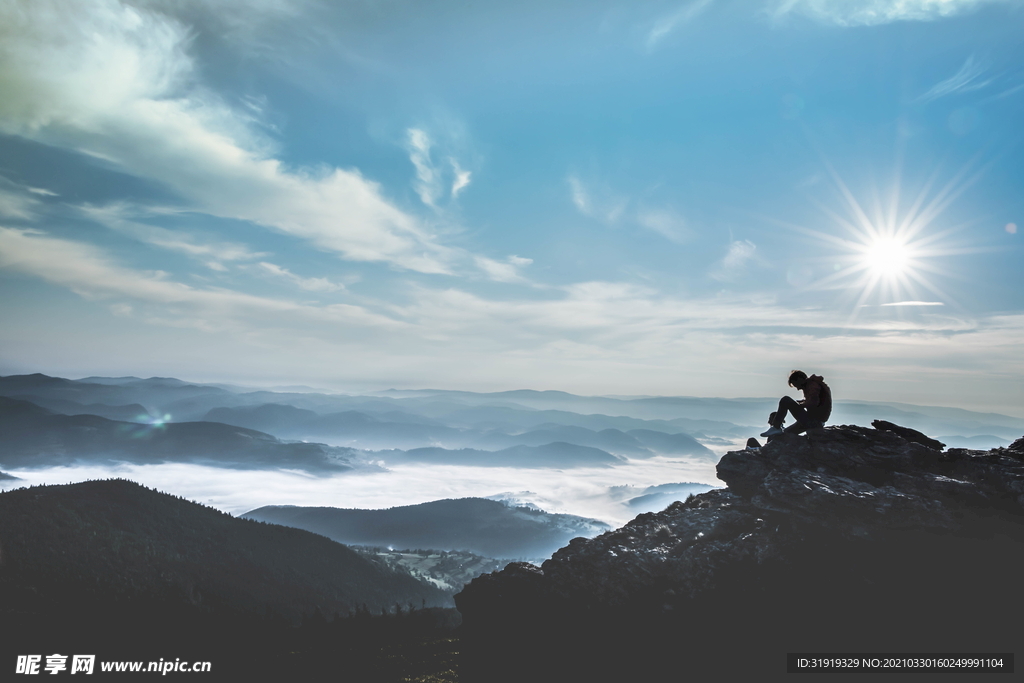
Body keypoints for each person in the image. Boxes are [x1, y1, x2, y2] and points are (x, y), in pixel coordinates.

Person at [760, 370, 832, 439]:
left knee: (785, 400)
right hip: (815, 422)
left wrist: (802, 405)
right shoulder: (813, 385)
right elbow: (816, 401)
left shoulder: (812, 385)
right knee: (785, 434)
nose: (797, 388)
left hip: (814, 422)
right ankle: (777, 430)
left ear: (799, 380)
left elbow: (814, 402)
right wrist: (803, 402)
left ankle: (776, 427)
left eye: (796, 385)